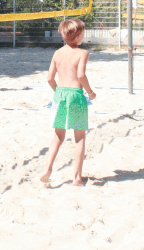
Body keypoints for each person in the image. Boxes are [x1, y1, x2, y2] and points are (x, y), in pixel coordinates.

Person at [40, 19, 95, 186]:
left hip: (60, 95)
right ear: (77, 36)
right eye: (83, 33)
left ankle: (48, 170)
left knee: (58, 136)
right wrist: (91, 93)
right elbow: (80, 76)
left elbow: (49, 78)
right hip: (76, 95)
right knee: (79, 137)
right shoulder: (82, 53)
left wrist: (59, 93)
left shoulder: (57, 53)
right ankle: (77, 178)